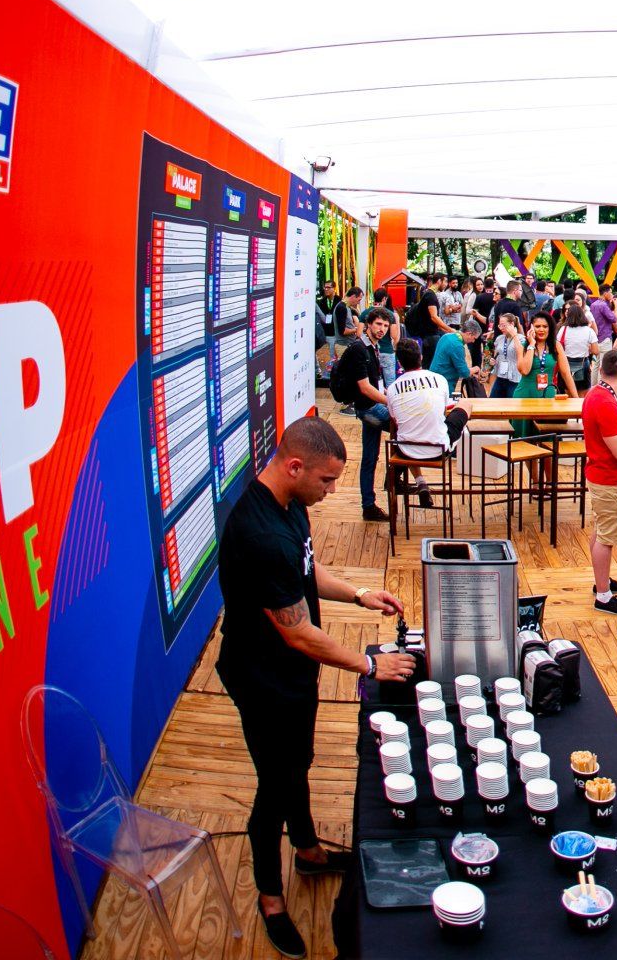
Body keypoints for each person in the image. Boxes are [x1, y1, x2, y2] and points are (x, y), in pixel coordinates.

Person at [215, 417, 412, 960]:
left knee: (297, 762)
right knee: (274, 784)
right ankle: (271, 898)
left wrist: (359, 593)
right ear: (294, 466)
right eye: (326, 482)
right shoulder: (259, 535)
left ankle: (306, 850)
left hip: (291, 673)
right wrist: (369, 665)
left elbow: (308, 569)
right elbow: (298, 632)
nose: (331, 493)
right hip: (262, 676)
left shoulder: (289, 505)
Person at [582, 348, 617, 616]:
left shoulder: (597, 395)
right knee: (606, 537)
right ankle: (603, 596)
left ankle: (602, 581)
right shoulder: (605, 402)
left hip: (601, 474)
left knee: (601, 529)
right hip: (609, 477)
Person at [329, 313, 390, 522]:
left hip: (370, 407)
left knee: (370, 458)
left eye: (385, 325)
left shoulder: (372, 346)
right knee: (407, 427)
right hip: (369, 410)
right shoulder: (358, 349)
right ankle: (396, 477)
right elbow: (364, 387)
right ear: (368, 326)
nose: (382, 328)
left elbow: (374, 382)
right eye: (378, 324)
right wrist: (391, 402)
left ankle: (369, 506)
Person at [388, 337, 471, 466]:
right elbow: (443, 412)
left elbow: (396, 421)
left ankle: (418, 481)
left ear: (399, 363)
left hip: (405, 449)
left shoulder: (392, 388)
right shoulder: (440, 379)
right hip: (438, 449)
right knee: (465, 403)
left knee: (408, 428)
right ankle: (457, 447)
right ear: (420, 357)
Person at [510, 312, 576, 437]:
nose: (541, 329)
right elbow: (524, 370)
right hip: (525, 395)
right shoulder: (523, 345)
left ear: (550, 328)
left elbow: (566, 373)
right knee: (524, 443)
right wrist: (531, 345)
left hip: (547, 395)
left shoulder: (556, 345)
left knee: (548, 441)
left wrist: (577, 399)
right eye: (537, 326)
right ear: (531, 328)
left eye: (545, 326)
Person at [426, 314, 477, 393]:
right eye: (474, 338)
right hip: (444, 384)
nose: (473, 341)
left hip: (432, 379)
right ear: (469, 334)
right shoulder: (457, 346)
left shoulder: (446, 336)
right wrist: (476, 369)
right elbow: (464, 373)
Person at [560, 298, 600, 393]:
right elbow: (596, 351)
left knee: (568, 393)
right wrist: (587, 348)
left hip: (566, 363)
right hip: (583, 363)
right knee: (583, 394)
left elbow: (558, 347)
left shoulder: (563, 329)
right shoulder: (589, 331)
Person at [488, 312, 523, 397]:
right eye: (500, 325)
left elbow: (521, 354)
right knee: (493, 402)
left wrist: (514, 336)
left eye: (504, 325)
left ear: (512, 324)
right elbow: (496, 355)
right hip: (500, 376)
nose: (501, 328)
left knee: (511, 406)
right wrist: (493, 361)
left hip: (515, 378)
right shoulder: (499, 339)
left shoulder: (521, 339)